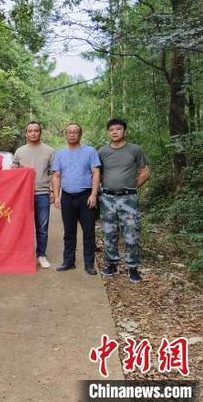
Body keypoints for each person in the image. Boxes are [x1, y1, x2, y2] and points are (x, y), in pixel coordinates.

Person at [98, 119, 151, 283]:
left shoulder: (135, 149)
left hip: (128, 198)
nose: (115, 132)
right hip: (107, 198)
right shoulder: (102, 151)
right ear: (108, 132)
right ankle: (111, 264)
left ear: (124, 131)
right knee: (109, 232)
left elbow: (145, 171)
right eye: (112, 129)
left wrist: (133, 186)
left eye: (118, 129)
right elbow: (96, 173)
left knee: (131, 233)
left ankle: (133, 268)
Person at [52, 123, 101, 275]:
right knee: (69, 232)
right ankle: (68, 262)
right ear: (65, 135)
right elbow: (56, 175)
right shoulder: (59, 153)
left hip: (86, 196)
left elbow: (96, 172)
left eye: (75, 132)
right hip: (67, 196)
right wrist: (56, 195)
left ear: (80, 134)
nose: (72, 134)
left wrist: (94, 194)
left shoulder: (90, 151)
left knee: (88, 232)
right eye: (69, 132)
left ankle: (89, 264)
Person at [13, 121, 55, 269]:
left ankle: (41, 255)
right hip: (23, 195)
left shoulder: (49, 151)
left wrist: (53, 192)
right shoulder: (19, 151)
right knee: (22, 226)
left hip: (42, 193)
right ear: (26, 133)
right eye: (30, 131)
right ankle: (22, 254)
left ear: (40, 132)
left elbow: (53, 174)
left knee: (42, 227)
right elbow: (14, 173)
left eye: (36, 130)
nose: (33, 133)